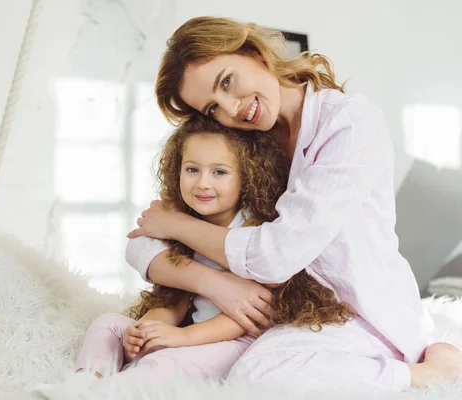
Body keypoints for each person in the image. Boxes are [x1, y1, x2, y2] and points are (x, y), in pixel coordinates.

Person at [125, 16, 462, 391]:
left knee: (257, 375)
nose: (231, 109)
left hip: (361, 314)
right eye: (211, 108)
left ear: (253, 51)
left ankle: (428, 373)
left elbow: (274, 257)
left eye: (226, 82)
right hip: (291, 315)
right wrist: (213, 283)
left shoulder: (351, 125)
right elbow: (143, 238)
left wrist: (176, 226)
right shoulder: (242, 144)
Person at [74, 115, 354, 389]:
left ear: (247, 176)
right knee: (108, 325)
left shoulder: (254, 231)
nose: (203, 183)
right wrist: (148, 328)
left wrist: (181, 338)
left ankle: (104, 395)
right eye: (192, 169)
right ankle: (81, 385)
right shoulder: (185, 224)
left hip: (236, 342)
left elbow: (247, 316)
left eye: (219, 172)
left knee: (163, 364)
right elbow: (175, 297)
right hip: (188, 335)